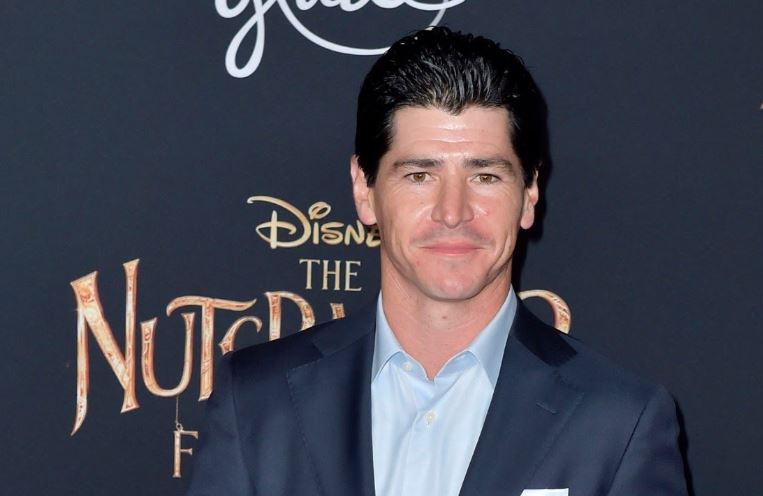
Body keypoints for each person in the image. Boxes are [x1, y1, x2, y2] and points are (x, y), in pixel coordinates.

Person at [186, 27, 687, 496]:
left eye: (485, 176)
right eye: (419, 175)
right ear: (364, 189)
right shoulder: (256, 402)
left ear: (530, 192)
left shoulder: (620, 423)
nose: (453, 212)